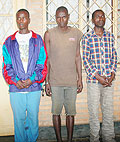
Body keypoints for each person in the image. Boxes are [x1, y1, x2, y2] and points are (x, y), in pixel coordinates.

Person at [2, 9, 47, 142]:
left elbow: (42, 63)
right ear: (16, 20)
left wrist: (31, 79)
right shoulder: (9, 42)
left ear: (29, 19)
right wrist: (16, 81)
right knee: (19, 119)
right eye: (18, 18)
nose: (21, 21)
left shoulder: (37, 39)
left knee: (33, 118)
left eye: (24, 18)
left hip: (34, 88)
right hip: (16, 89)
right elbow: (6, 66)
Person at [44, 6, 83, 142]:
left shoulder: (76, 33)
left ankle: (70, 139)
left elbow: (78, 57)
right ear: (55, 18)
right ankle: (59, 140)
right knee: (56, 112)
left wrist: (80, 79)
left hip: (71, 81)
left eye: (64, 16)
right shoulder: (49, 34)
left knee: (71, 113)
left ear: (68, 16)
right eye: (58, 17)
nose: (61, 19)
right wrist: (47, 81)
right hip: (55, 81)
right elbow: (47, 59)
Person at [82, 9, 117, 142]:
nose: (100, 18)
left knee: (108, 112)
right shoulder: (87, 38)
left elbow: (114, 56)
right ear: (92, 20)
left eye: (102, 16)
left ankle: (109, 138)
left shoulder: (110, 36)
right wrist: (98, 77)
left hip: (108, 81)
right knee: (94, 113)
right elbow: (85, 60)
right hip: (94, 82)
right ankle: (94, 139)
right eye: (97, 16)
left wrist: (112, 74)